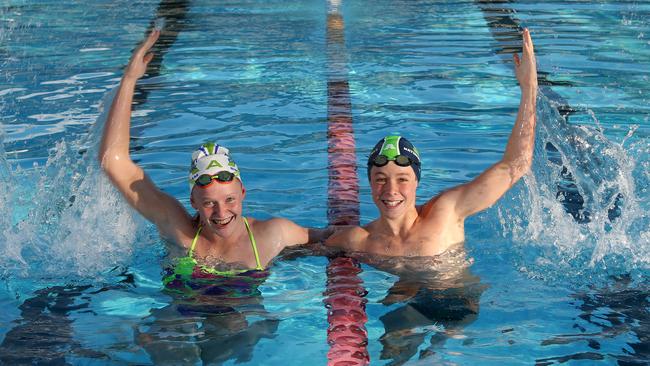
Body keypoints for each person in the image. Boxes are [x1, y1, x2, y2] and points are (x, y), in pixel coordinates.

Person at [99, 29, 324, 280]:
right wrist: (129, 80)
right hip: (180, 311)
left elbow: (336, 239)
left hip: (241, 312)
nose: (221, 213)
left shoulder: (274, 234)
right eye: (208, 203)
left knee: (232, 323)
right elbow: (112, 161)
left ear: (243, 193)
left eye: (229, 200)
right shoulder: (179, 228)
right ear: (193, 202)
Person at [326, 28, 538, 257]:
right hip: (403, 291)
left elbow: (516, 164)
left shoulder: (447, 211)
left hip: (457, 294)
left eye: (402, 179)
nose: (391, 190)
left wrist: (529, 89)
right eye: (380, 179)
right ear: (369, 182)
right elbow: (304, 242)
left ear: (417, 180)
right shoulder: (360, 240)